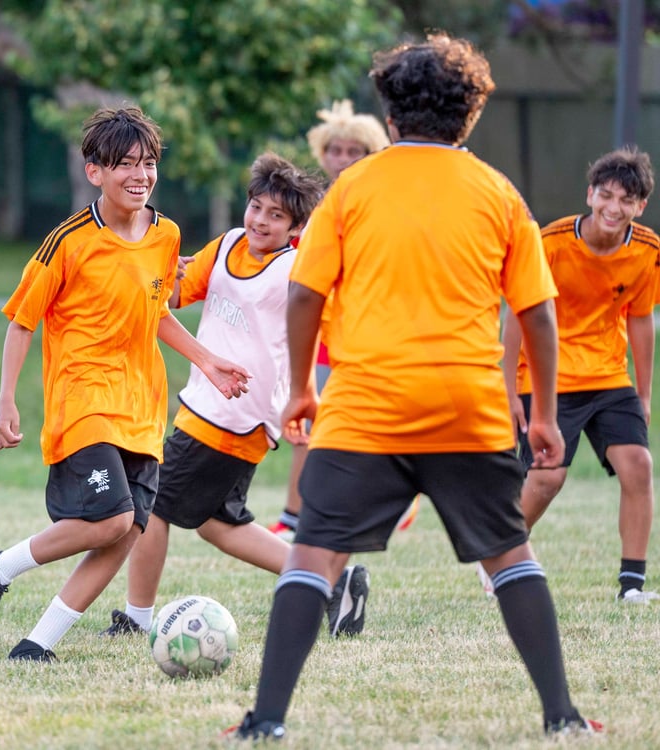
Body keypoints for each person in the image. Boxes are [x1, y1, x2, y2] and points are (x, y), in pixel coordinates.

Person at [228, 33, 599, 741]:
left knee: (311, 554)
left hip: (367, 407)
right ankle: (563, 716)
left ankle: (266, 722)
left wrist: (303, 388)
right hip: (469, 408)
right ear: (471, 115)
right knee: (511, 554)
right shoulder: (498, 193)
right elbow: (539, 314)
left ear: (390, 117)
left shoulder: (352, 190)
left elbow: (305, 294)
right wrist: (544, 413)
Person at [0, 106, 251, 662]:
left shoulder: (166, 233)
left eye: (149, 164)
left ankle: (37, 645)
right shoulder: (67, 241)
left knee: (129, 530)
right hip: (83, 396)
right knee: (112, 516)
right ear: (95, 172)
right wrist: (6, 402)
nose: (140, 176)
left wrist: (207, 360)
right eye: (125, 165)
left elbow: (156, 312)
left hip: (142, 403)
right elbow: (22, 320)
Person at [101, 152, 370, 641]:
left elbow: (338, 327)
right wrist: (151, 264)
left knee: (154, 506)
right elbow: (175, 293)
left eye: (276, 215)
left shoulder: (297, 269)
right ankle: (331, 580)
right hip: (204, 403)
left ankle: (135, 619)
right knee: (217, 524)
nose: (260, 220)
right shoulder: (227, 245)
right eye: (256, 206)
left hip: (239, 412)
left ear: (295, 229)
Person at [502, 146, 659, 604]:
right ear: (590, 194)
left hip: (609, 375)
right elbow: (516, 311)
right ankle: (501, 559)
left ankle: (632, 586)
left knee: (639, 465)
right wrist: (508, 385)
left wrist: (644, 395)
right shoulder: (548, 242)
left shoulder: (647, 250)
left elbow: (641, 319)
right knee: (548, 477)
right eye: (606, 195)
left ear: (640, 207)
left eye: (626, 200)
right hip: (545, 375)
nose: (614, 207)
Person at [267, 99, 420, 540]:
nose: (342, 159)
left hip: (366, 333)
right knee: (309, 423)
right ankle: (293, 517)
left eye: (353, 151)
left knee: (366, 426)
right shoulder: (309, 204)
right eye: (336, 150)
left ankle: (399, 499)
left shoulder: (381, 202)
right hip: (318, 333)